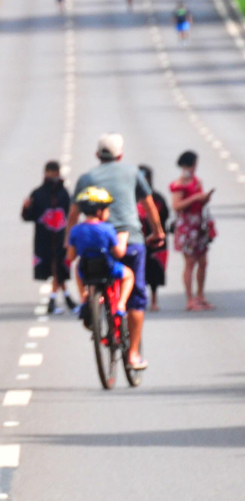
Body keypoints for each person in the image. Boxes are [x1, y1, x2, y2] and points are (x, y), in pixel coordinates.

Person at [66, 134, 165, 370]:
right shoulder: (133, 173)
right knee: (136, 299)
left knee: (90, 271)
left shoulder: (87, 178)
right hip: (130, 241)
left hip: (93, 244)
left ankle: (92, 300)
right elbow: (149, 205)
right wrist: (158, 232)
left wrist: (69, 244)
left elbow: (72, 216)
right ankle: (132, 355)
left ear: (97, 155)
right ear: (120, 155)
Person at [67, 187, 135, 317]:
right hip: (107, 269)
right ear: (99, 211)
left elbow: (71, 256)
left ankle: (83, 296)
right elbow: (119, 253)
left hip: (86, 270)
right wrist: (123, 239)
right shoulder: (107, 229)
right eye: (107, 209)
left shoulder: (75, 230)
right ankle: (121, 304)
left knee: (77, 266)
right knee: (129, 275)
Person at [22, 161, 72, 314]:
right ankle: (64, 300)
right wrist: (26, 208)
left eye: (54, 172)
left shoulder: (64, 194)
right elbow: (28, 217)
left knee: (59, 269)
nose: (52, 175)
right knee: (53, 269)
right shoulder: (37, 194)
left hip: (61, 238)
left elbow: (71, 215)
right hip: (44, 239)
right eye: (50, 172)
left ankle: (56, 300)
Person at [170, 151, 215, 311]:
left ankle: (200, 295)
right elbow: (176, 206)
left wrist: (204, 199)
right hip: (187, 225)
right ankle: (190, 299)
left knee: (203, 262)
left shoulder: (197, 182)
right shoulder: (179, 184)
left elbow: (200, 203)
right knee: (190, 263)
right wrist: (195, 198)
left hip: (198, 224)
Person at [138, 165, 169, 312]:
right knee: (137, 270)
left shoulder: (157, 198)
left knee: (155, 272)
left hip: (156, 242)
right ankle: (139, 298)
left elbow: (165, 215)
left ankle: (154, 300)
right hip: (136, 239)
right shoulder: (131, 197)